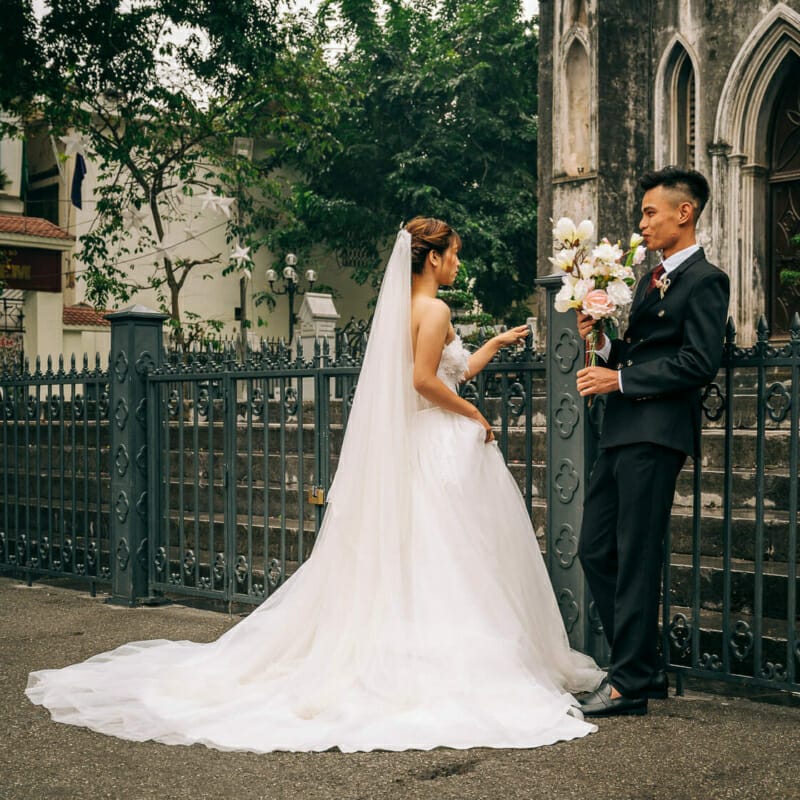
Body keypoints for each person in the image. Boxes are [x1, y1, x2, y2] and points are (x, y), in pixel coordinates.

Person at [26, 217, 603, 753]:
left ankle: (407, 649)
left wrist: (495, 346)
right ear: (432, 258)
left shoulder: (406, 309)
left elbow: (448, 370)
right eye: (453, 255)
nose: (457, 265)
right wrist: (475, 416)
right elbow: (425, 382)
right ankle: (445, 662)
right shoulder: (436, 309)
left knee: (421, 554)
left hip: (421, 444)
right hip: (437, 445)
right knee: (448, 555)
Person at [574, 167, 730, 717]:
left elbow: (697, 361)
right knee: (595, 547)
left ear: (683, 213)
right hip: (621, 429)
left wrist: (619, 379)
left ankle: (629, 682)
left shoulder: (706, 280)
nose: (642, 223)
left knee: (636, 555)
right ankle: (640, 668)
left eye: (649, 212)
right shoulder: (648, 279)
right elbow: (641, 351)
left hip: (657, 433)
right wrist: (604, 345)